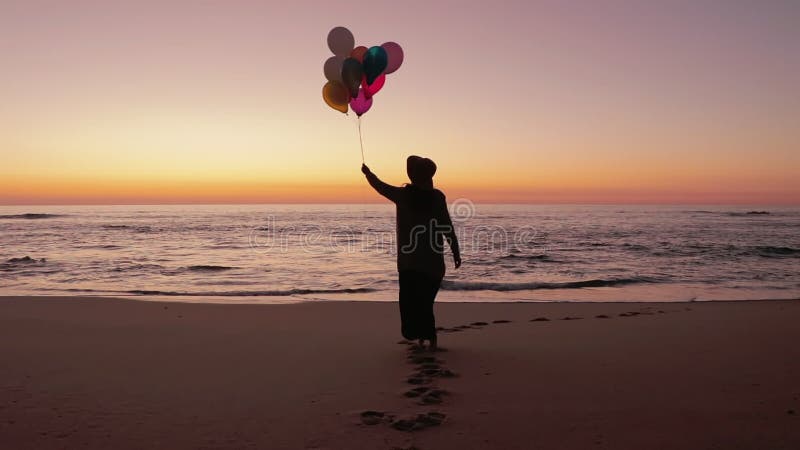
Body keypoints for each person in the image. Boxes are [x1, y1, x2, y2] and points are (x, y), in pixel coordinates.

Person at [361, 156, 461, 350]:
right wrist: (455, 250)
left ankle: (424, 338)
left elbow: (379, 186)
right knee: (425, 304)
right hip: (433, 265)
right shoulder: (437, 197)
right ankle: (429, 339)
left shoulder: (403, 195)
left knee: (411, 307)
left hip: (410, 264)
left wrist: (368, 173)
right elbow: (446, 226)